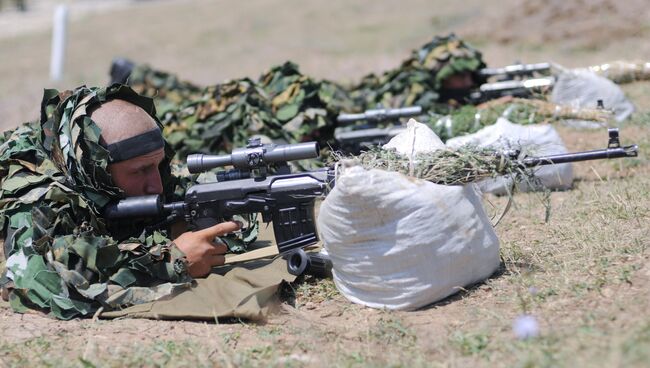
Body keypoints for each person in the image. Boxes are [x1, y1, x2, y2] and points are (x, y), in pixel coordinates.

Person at [0, 84, 251, 319]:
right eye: (140, 171)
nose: (157, 185)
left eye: (158, 165)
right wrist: (171, 262)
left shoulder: (115, 166)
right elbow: (39, 284)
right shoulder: (33, 192)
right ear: (99, 172)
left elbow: (186, 188)